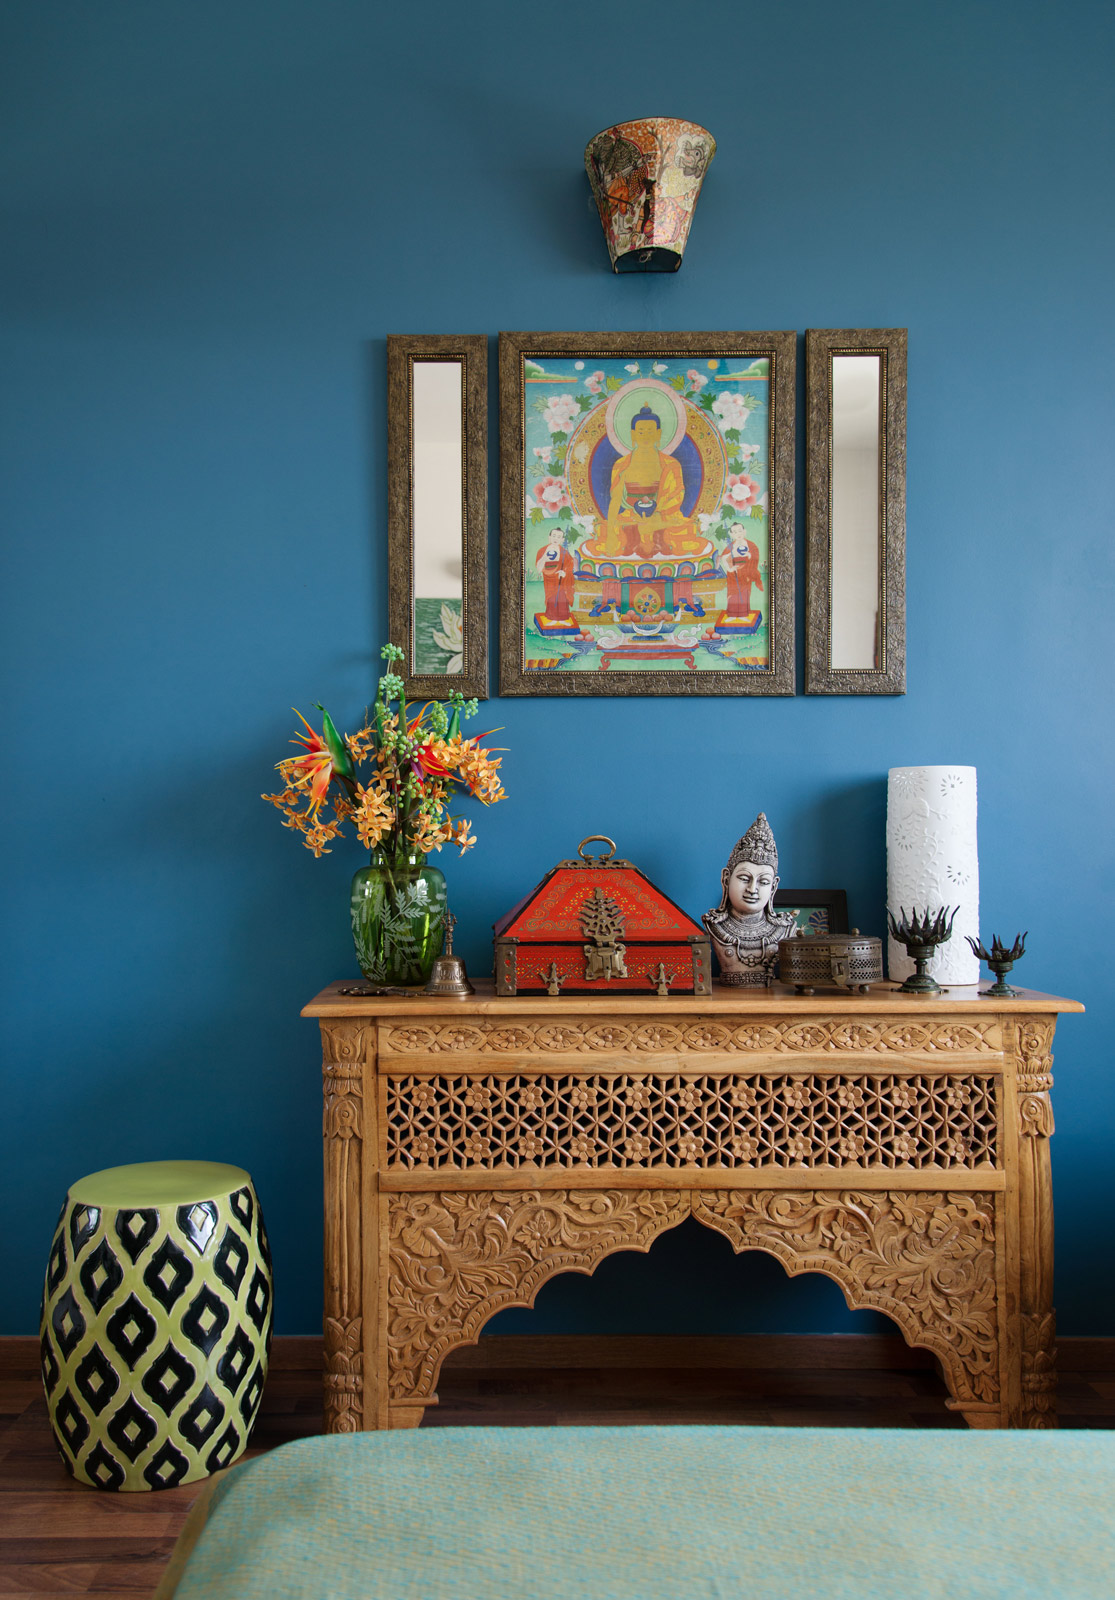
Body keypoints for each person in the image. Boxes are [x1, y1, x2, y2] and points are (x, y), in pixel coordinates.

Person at [703, 813, 796, 986]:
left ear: (774, 886)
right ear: (726, 879)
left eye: (764, 882)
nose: (752, 889)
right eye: (744, 878)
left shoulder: (785, 928)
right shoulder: (714, 925)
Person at [601, 405, 704, 559]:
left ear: (658, 434)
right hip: (632, 517)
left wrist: (656, 515)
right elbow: (616, 500)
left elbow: (677, 496)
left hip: (662, 517)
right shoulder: (622, 465)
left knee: (685, 527)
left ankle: (648, 536)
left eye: (650, 432)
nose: (645, 436)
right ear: (633, 435)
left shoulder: (671, 464)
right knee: (606, 529)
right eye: (641, 432)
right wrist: (610, 533)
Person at [724, 522, 763, 617]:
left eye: (740, 531)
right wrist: (730, 568)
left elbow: (755, 556)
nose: (738, 534)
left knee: (744, 595)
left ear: (744, 532)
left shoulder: (751, 545)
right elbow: (724, 558)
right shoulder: (730, 546)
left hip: (746, 574)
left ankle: (744, 614)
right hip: (734, 575)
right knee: (733, 596)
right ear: (732, 534)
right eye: (735, 532)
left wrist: (749, 556)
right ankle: (732, 615)